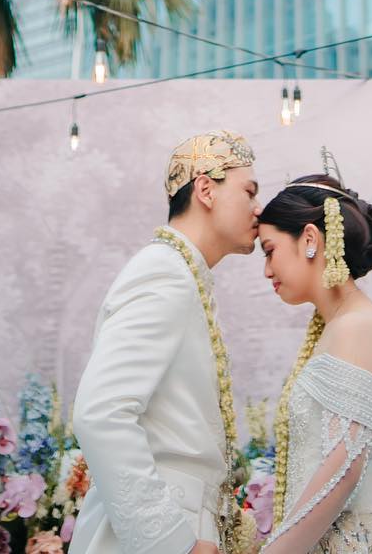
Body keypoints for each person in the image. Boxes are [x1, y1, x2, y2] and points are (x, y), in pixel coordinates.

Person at [72, 131, 262, 554]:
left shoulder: (183, 274)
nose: (258, 208)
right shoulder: (164, 272)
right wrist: (172, 543)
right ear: (206, 190)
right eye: (249, 191)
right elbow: (100, 412)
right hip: (164, 528)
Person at [256, 168, 372, 554]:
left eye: (269, 250)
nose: (266, 270)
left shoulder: (357, 327)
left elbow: (343, 471)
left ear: (309, 240)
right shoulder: (340, 325)